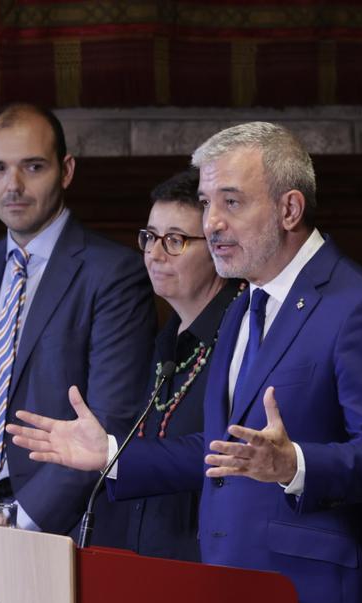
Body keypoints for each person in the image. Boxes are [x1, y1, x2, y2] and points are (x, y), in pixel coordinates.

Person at [8, 121, 362, 603]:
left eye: (231, 202)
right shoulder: (242, 307)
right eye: (206, 203)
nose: (213, 222)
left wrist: (293, 464)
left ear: (289, 209)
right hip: (234, 597)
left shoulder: (359, 306)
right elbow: (219, 449)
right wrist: (109, 454)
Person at [0, 103, 156, 538]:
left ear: (66, 171)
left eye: (32, 167)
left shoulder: (114, 274)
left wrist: (16, 520)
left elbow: (108, 424)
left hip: (64, 529)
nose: (12, 186)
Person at [99, 168, 243, 560]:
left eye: (175, 240)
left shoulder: (242, 334)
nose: (154, 254)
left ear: (218, 247)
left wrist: (107, 452)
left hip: (214, 569)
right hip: (153, 566)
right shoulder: (168, 336)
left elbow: (223, 453)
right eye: (149, 237)